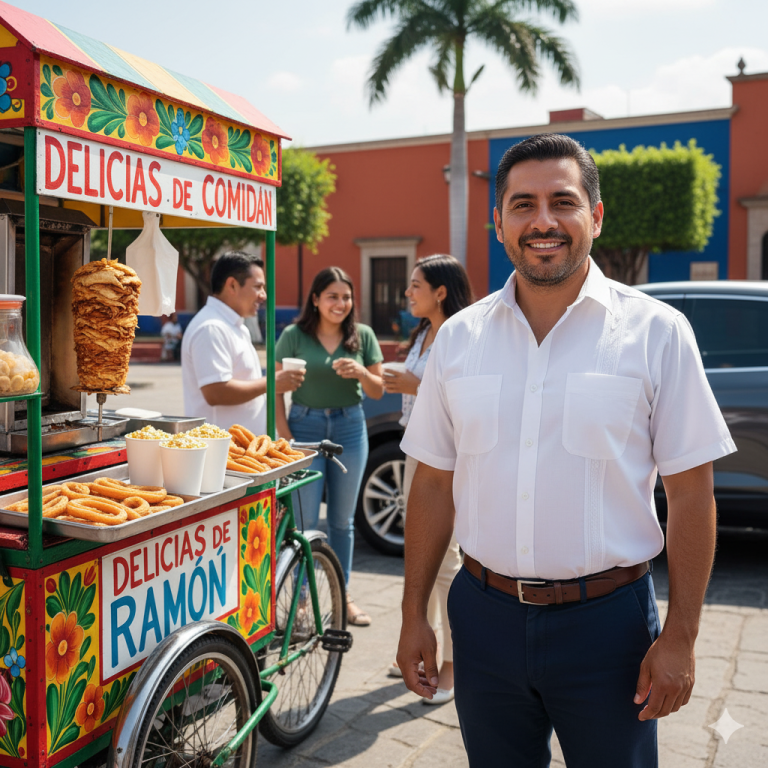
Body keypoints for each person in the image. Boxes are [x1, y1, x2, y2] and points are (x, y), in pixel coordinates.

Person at [397, 133, 737, 767]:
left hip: (609, 628)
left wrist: (682, 637)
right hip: (483, 618)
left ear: (595, 216)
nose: (543, 221)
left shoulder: (657, 333)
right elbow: (434, 483)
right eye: (523, 205)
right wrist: (414, 610)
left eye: (563, 201)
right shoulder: (459, 339)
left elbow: (692, 495)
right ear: (499, 222)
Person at [382, 254, 473, 703]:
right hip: (416, 447)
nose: (408, 292)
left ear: (440, 291)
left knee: (447, 561)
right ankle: (425, 649)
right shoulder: (424, 333)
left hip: (446, 457)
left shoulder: (462, 335)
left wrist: (411, 385)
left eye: (415, 285)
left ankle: (454, 664)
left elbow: (457, 393)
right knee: (424, 557)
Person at [275, 266, 384, 626]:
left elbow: (378, 390)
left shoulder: (363, 336)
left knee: (342, 521)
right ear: (316, 299)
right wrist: (285, 433)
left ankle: (343, 596)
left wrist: (362, 373)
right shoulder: (293, 335)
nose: (341, 303)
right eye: (332, 296)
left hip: (350, 427)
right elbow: (275, 387)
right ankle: (302, 600)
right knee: (305, 520)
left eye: (346, 297)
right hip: (304, 426)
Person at [181, 251, 304, 434]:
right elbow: (216, 392)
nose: (263, 295)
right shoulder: (211, 327)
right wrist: (272, 383)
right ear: (232, 285)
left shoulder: (234, 325)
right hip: (223, 448)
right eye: (258, 287)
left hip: (240, 446)